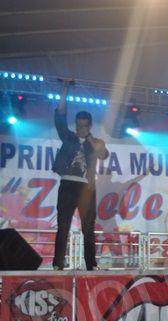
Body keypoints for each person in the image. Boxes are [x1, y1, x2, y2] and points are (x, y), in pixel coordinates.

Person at [52, 79, 109, 270]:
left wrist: (88, 137)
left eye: (84, 125)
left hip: (86, 188)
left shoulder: (96, 142)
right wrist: (65, 88)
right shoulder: (69, 137)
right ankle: (57, 264)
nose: (80, 128)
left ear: (90, 125)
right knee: (63, 226)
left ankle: (91, 265)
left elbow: (103, 154)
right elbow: (60, 116)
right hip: (67, 185)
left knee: (88, 228)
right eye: (78, 124)